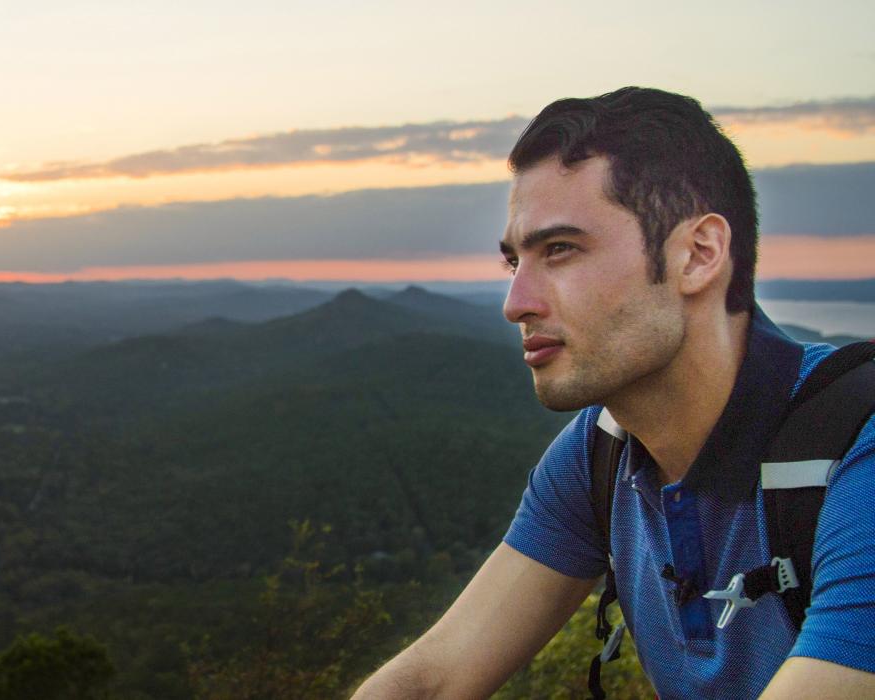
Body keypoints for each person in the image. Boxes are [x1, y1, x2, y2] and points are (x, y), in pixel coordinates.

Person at [351, 87, 875, 699]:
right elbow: (433, 681)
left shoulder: (852, 450)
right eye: (515, 262)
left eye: (561, 250)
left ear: (698, 255)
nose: (516, 303)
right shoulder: (602, 452)